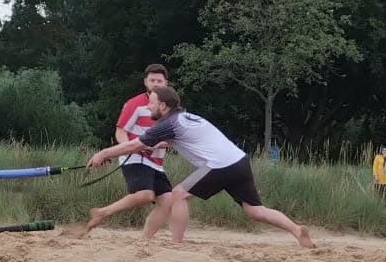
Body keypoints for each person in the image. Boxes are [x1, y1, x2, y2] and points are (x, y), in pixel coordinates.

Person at [89, 86, 313, 247]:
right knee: (255, 211)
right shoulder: (186, 118)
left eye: (152, 103)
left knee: (178, 194)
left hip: (220, 165)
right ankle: (297, 230)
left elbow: (135, 144)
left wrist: (104, 153)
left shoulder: (167, 123)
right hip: (239, 161)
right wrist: (146, 146)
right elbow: (171, 141)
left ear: (163, 106)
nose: (148, 106)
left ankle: (176, 245)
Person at [78, 64, 173, 235]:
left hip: (156, 161)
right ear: (145, 82)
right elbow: (120, 131)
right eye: (152, 80)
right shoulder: (134, 103)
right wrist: (130, 148)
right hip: (135, 156)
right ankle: (102, 212)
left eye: (159, 81)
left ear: (166, 83)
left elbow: (172, 137)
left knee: (167, 201)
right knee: (145, 195)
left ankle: (146, 240)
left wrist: (160, 144)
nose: (156, 84)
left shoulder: (169, 107)